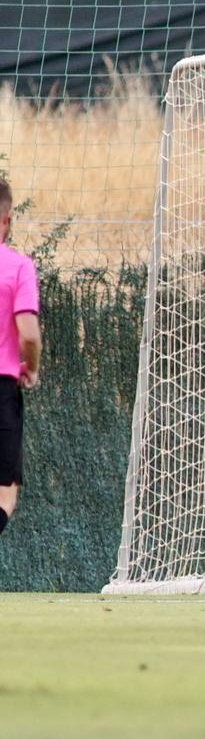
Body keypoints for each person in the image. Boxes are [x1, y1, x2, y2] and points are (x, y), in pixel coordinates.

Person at [0, 179, 41, 546]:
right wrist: (32, 367)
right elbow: (28, 333)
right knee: (4, 493)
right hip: (1, 389)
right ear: (7, 220)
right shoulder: (17, 267)